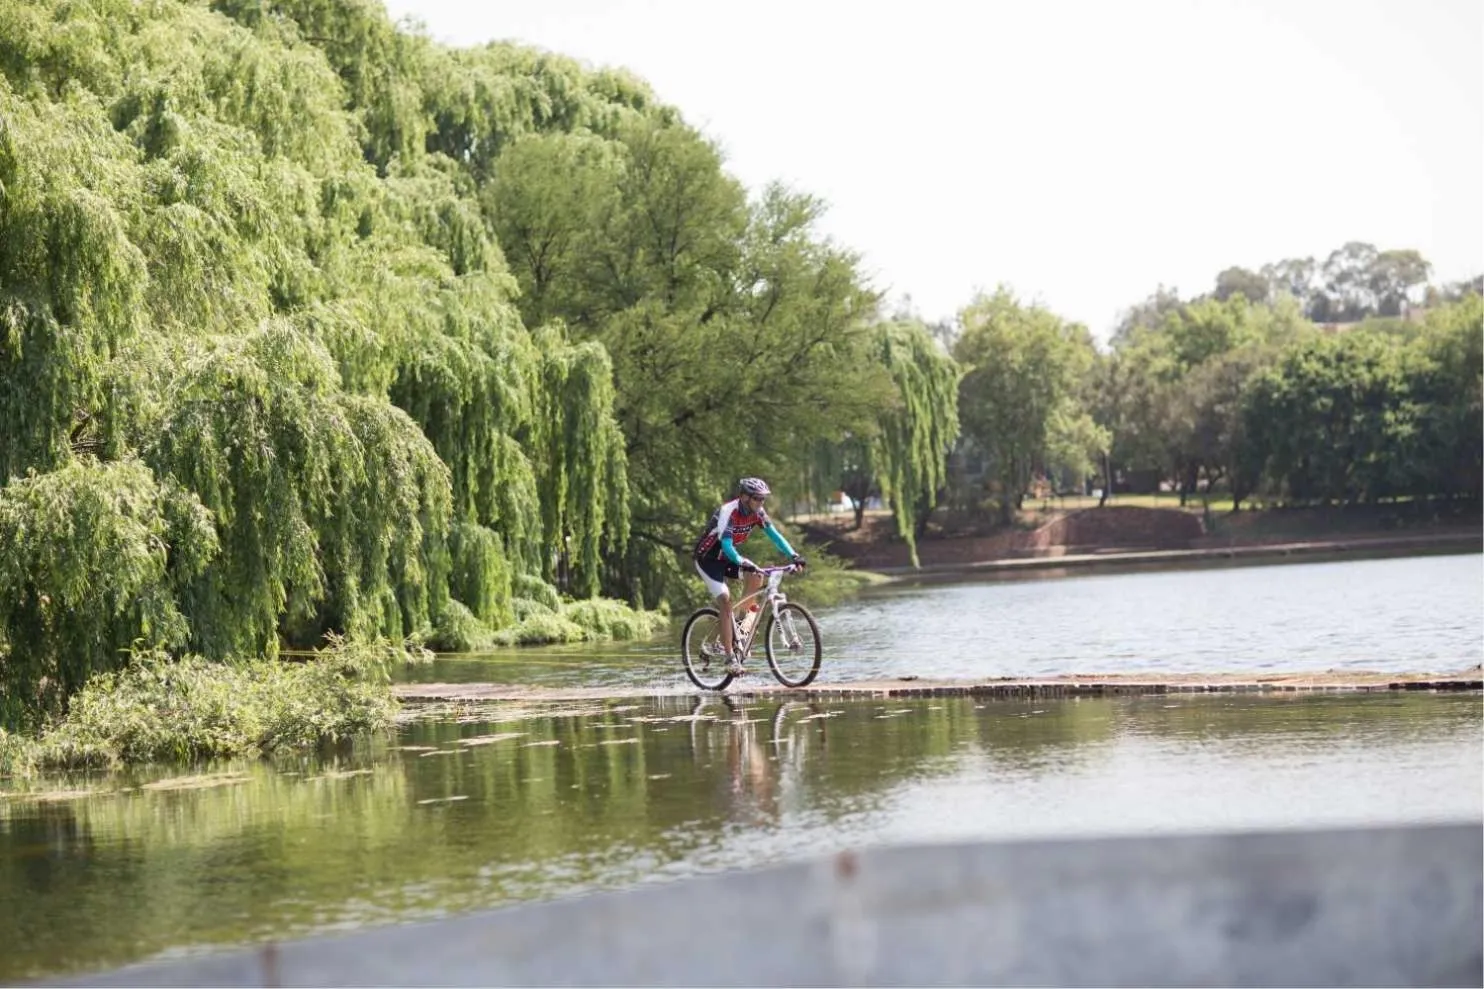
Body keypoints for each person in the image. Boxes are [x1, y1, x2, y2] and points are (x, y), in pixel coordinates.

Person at [693, 477, 806, 674]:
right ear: (744, 497)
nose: (761, 503)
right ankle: (729, 660)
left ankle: (739, 629)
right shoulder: (729, 512)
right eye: (757, 499)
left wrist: (794, 555)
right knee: (726, 600)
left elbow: (776, 536)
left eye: (763, 499)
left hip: (727, 558)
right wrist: (743, 561)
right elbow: (727, 546)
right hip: (708, 559)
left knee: (757, 577)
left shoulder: (758, 513)